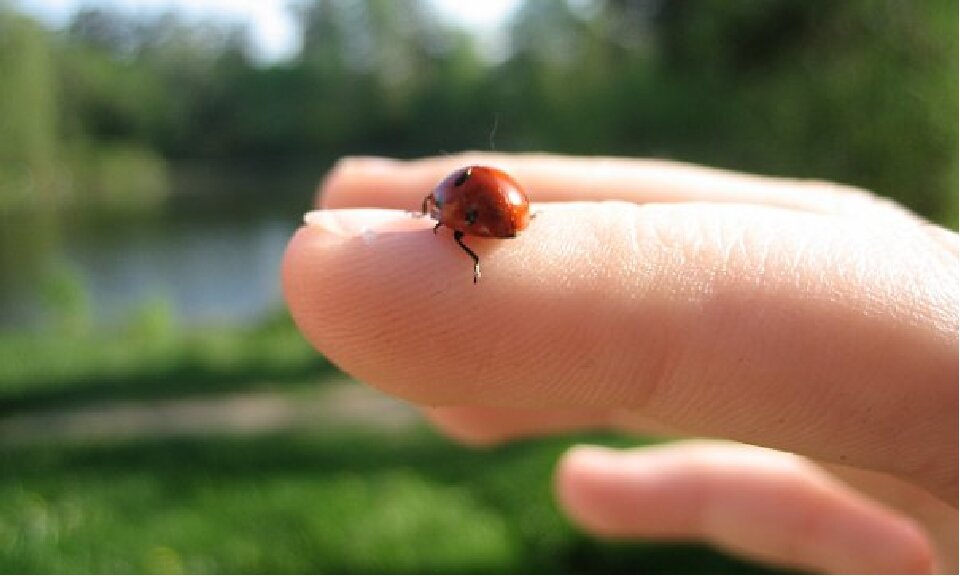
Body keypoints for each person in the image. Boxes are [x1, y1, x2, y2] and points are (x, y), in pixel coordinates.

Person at [282, 153, 958, 574]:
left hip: (507, 218)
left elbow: (458, 228)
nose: (437, 214)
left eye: (437, 210)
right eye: (440, 209)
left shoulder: (453, 209)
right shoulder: (459, 195)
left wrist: (457, 230)